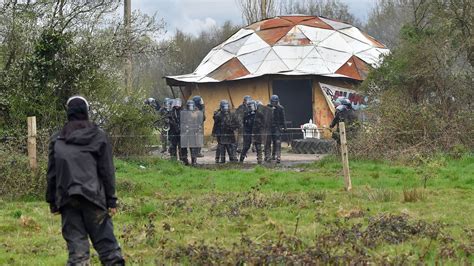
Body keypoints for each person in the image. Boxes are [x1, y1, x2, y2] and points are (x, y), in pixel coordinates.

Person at [46, 96, 124, 265]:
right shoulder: (99, 136)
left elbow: (52, 174)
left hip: (67, 199)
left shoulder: (57, 139)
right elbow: (107, 171)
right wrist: (111, 200)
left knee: (78, 255)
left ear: (68, 113)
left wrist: (53, 202)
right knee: (109, 250)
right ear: (87, 112)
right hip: (94, 198)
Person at [264, 95, 286, 163]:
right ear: (271, 101)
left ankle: (277, 156)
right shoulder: (267, 108)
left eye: (275, 102)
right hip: (268, 128)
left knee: (277, 142)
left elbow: (283, 118)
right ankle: (268, 156)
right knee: (267, 142)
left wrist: (284, 127)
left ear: (277, 101)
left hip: (277, 127)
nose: (274, 103)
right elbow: (264, 118)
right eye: (273, 102)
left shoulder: (280, 108)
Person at [181, 100, 202, 165]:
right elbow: (181, 122)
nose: (191, 107)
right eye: (190, 106)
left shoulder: (196, 112)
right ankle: (184, 161)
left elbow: (201, 120)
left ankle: (194, 161)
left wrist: (198, 111)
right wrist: (184, 127)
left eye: (192, 106)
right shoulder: (184, 112)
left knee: (193, 147)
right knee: (184, 147)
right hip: (185, 132)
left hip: (192, 131)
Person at [168, 98, 189, 164]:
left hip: (182, 132)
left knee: (183, 147)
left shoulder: (184, 111)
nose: (177, 105)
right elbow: (166, 120)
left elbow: (187, 120)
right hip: (173, 132)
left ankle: (184, 160)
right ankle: (173, 161)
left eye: (178, 103)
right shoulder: (171, 112)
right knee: (172, 147)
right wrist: (169, 121)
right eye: (176, 103)